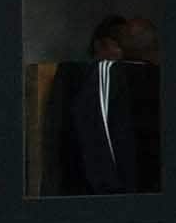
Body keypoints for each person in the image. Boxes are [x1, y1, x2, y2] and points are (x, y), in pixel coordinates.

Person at [62, 14, 158, 194]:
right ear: (101, 46)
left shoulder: (126, 78)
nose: (120, 51)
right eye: (118, 42)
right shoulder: (104, 76)